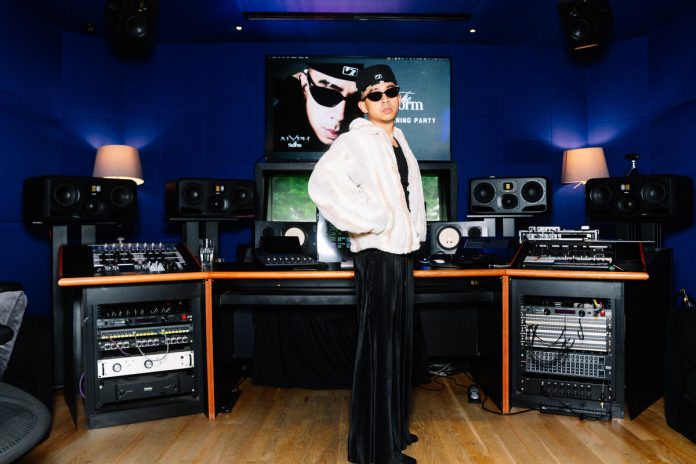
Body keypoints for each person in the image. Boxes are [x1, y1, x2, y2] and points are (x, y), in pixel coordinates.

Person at [308, 64, 426, 464]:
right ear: (362, 104)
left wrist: (411, 231)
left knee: (398, 346)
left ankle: (392, 432)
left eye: (391, 91)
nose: (385, 99)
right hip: (377, 253)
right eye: (375, 95)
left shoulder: (398, 139)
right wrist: (372, 220)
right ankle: (374, 450)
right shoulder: (356, 140)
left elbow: (408, 194)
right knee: (379, 350)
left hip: (401, 251)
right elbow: (322, 184)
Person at [272, 62, 364, 153]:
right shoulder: (273, 127)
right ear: (304, 85)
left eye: (353, 99)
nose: (340, 116)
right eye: (328, 95)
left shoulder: (360, 133)